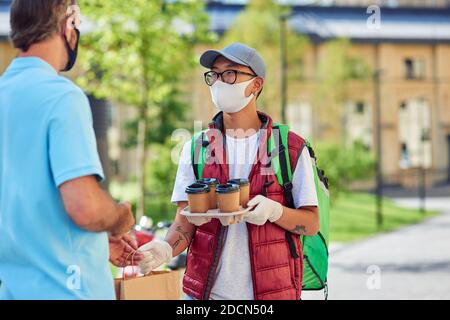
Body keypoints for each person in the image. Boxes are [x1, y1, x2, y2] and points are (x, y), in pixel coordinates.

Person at [139, 43, 319, 300]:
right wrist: (165, 248)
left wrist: (275, 212)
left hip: (271, 295)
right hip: (204, 295)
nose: (220, 82)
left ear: (256, 85)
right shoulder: (196, 148)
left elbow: (310, 224)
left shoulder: (288, 147)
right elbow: (184, 222)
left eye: (230, 73)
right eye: (214, 74)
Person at [0, 0, 141, 300]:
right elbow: (84, 207)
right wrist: (120, 217)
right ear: (68, 26)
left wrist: (97, 244)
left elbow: (25, 208)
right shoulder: (62, 97)